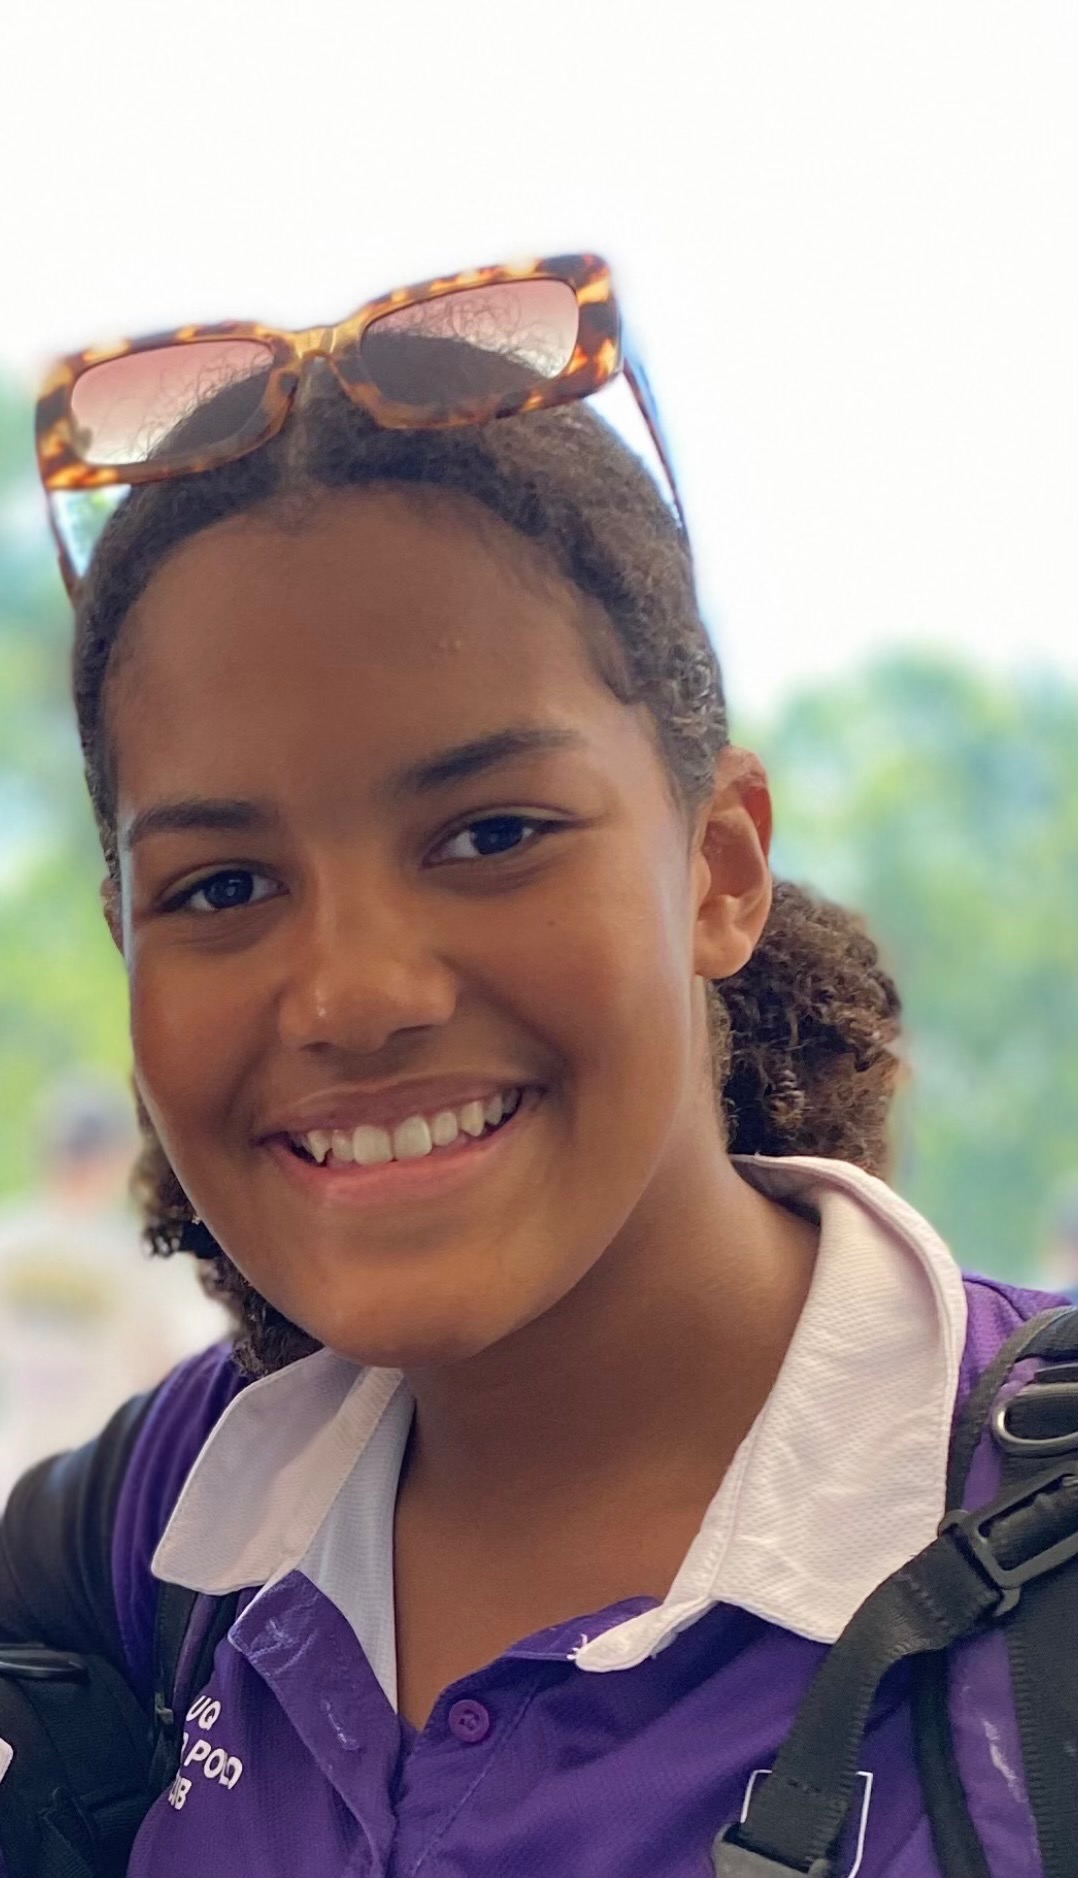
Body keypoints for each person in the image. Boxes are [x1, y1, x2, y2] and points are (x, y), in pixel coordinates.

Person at [8, 257, 1075, 1877]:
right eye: (221, 887)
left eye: (492, 832)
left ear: (717, 866)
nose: (352, 994)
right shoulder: (160, 1527)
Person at [0, 1072, 230, 1503]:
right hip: (96, 1481)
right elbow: (163, 1368)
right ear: (118, 1158)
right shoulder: (132, 1256)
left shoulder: (9, 1240)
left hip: (15, 1473)